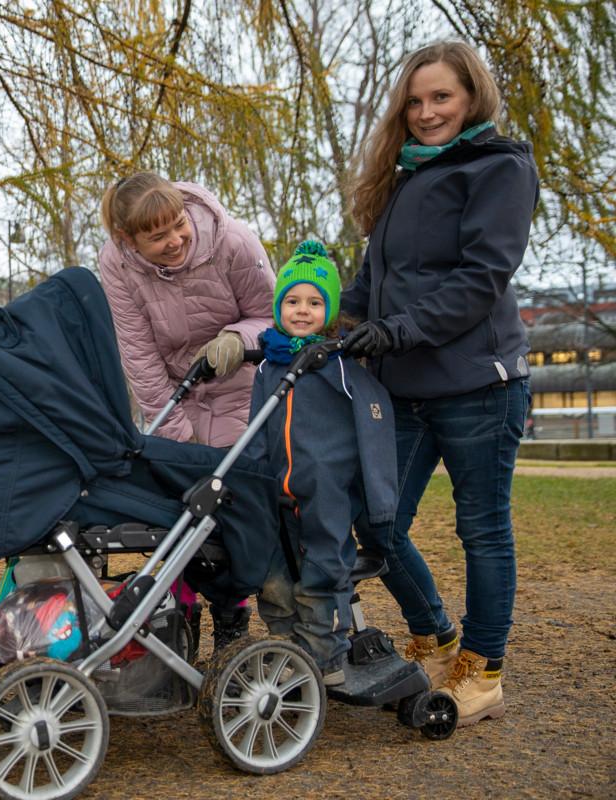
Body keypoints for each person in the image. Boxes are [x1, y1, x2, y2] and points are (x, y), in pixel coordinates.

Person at [340, 40, 538, 725]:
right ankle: (436, 632)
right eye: (416, 101)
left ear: (471, 96)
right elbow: (375, 277)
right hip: (404, 386)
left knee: (481, 529)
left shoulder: (498, 167)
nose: (426, 112)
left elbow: (480, 280)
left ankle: (481, 671)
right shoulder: (406, 176)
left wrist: (396, 331)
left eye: (441, 97)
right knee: (374, 518)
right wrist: (339, 324)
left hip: (478, 383)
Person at [98, 172, 275, 650]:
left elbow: (273, 315)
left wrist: (238, 339)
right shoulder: (116, 265)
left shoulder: (232, 241)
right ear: (128, 240)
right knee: (172, 507)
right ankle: (180, 614)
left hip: (240, 384)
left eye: (178, 226)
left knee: (226, 507)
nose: (176, 240)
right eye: (158, 237)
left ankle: (232, 617)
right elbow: (137, 352)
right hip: (175, 392)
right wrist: (177, 433)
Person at [247, 241, 398, 686]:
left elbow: (375, 424)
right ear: (278, 307)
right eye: (292, 301)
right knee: (275, 576)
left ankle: (324, 658)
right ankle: (287, 648)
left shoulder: (341, 365)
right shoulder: (266, 366)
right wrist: (253, 477)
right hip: (275, 487)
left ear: (329, 310)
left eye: (314, 302)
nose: (301, 310)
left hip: (327, 490)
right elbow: (256, 425)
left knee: (322, 572)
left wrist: (376, 495)